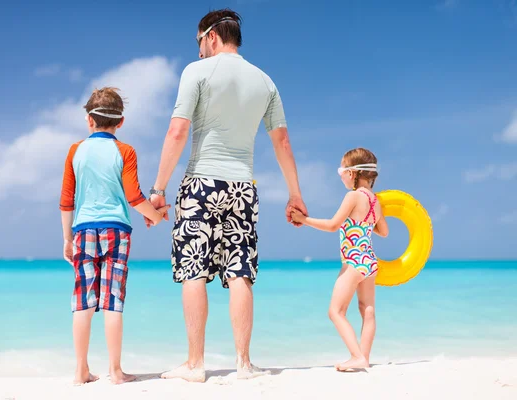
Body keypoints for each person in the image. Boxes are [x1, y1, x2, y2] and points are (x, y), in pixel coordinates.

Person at [146, 9, 307, 382]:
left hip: (202, 183)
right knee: (240, 273)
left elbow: (177, 131)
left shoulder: (196, 72)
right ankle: (244, 364)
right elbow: (281, 141)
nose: (199, 50)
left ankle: (195, 364)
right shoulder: (265, 81)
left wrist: (158, 189)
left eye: (198, 42)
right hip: (242, 187)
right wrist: (294, 194)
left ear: (212, 37)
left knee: (193, 269)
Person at [59, 87, 170, 385]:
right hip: (116, 230)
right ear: (120, 122)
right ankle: (116, 371)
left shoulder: (75, 150)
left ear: (89, 120)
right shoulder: (125, 151)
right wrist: (156, 216)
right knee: (112, 299)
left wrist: (67, 238)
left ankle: (81, 370)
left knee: (83, 300)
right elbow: (134, 197)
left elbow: (66, 199)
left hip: (82, 229)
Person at [291, 147, 389, 371]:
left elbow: (333, 224)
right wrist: (364, 223)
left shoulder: (353, 196)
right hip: (370, 262)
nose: (341, 175)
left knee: (335, 311)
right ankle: (363, 357)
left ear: (353, 173)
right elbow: (384, 232)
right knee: (368, 310)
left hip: (353, 262)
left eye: (341, 170)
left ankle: (357, 356)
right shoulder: (375, 201)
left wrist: (303, 219)